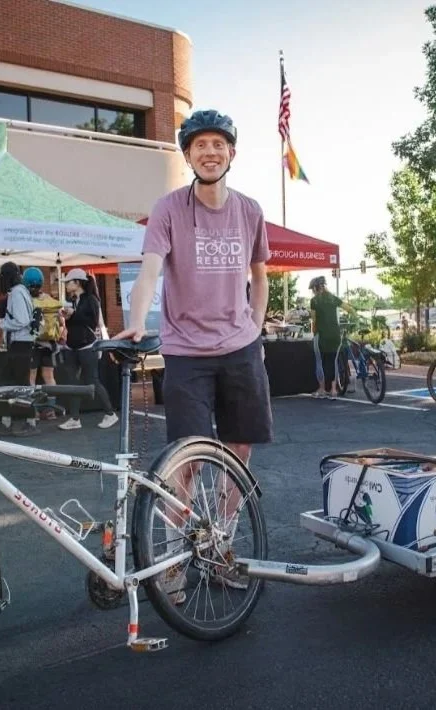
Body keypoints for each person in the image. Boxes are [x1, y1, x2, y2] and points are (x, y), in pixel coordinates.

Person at [113, 109, 272, 595]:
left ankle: (219, 545)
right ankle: (175, 559)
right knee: (187, 459)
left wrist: (256, 328)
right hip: (186, 352)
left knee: (239, 452)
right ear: (187, 155)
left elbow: (260, 274)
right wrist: (137, 322)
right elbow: (150, 270)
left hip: (240, 349)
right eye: (199, 144)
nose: (209, 151)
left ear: (232, 153)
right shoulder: (168, 209)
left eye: (217, 144)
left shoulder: (250, 209)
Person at [57, 268, 118, 430]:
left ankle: (110, 413)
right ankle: (75, 418)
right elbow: (74, 323)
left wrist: (73, 313)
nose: (67, 285)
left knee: (92, 380)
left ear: (77, 283)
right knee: (73, 383)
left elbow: (92, 322)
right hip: (71, 345)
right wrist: (65, 316)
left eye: (69, 282)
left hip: (87, 345)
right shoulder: (73, 299)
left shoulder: (91, 299)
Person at [0, 261, 40, 436]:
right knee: (10, 383)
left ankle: (30, 422)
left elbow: (21, 321)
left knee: (19, 385)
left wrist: (1, 323)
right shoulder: (22, 291)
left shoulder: (16, 293)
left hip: (20, 344)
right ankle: (7, 421)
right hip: (22, 344)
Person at [23, 267, 64, 419]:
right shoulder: (50, 300)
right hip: (50, 344)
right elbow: (61, 321)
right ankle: (51, 410)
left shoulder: (26, 300)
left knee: (31, 378)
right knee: (49, 376)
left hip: (32, 344)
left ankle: (33, 411)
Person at [308, 275, 354, 399]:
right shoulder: (333, 298)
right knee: (333, 362)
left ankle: (322, 389)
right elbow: (349, 308)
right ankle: (333, 390)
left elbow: (314, 320)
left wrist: (313, 333)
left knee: (320, 362)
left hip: (321, 335)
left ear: (315, 288)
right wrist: (355, 314)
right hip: (335, 335)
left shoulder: (314, 301)